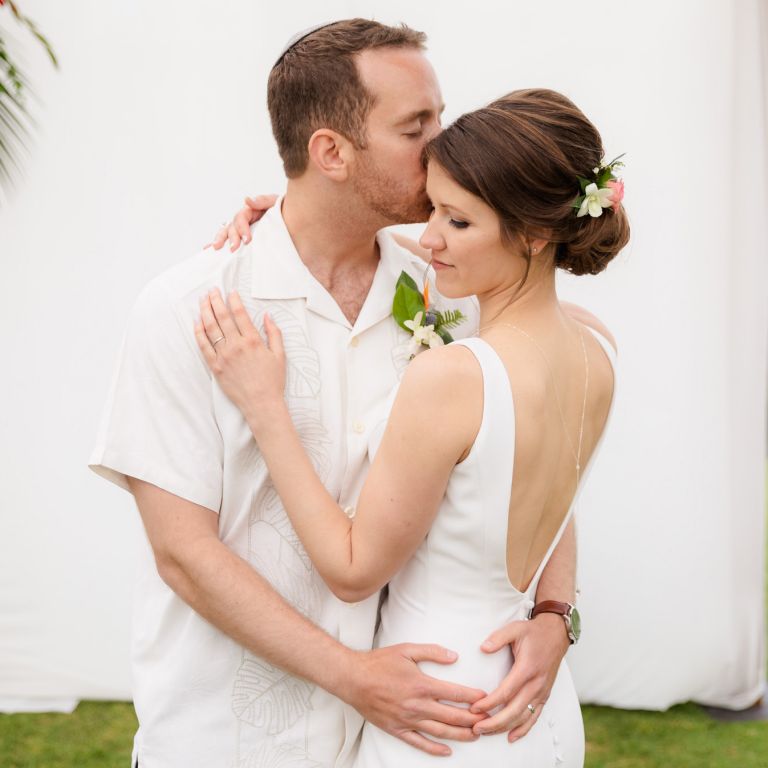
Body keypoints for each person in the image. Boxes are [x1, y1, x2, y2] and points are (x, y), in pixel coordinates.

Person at [90, 19, 585, 768]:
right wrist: (353, 678)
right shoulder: (190, 308)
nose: (444, 146)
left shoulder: (451, 289)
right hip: (228, 743)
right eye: (417, 126)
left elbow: (533, 450)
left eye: (440, 118)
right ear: (331, 153)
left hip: (404, 740)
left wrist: (554, 612)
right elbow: (183, 554)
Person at [196, 87, 627, 767]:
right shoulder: (595, 346)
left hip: (437, 712)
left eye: (455, 222)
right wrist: (292, 223)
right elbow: (553, 504)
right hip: (537, 710)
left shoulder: (455, 378)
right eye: (432, 210)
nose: (428, 239)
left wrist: (265, 409)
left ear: (536, 233)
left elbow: (352, 569)